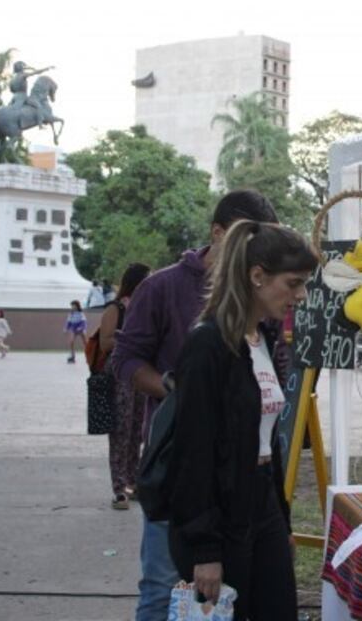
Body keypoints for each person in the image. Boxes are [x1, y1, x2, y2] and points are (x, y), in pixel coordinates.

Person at [110, 190, 280, 621]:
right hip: (176, 464)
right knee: (161, 588)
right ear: (217, 233)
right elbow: (125, 358)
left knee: (222, 598)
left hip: (235, 480)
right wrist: (180, 392)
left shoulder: (263, 301)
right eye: (244, 242)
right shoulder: (162, 287)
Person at [168, 221, 316, 620]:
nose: (300, 295)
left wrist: (281, 520)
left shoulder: (263, 340)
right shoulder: (207, 345)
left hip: (262, 500)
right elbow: (193, 454)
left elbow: (270, 440)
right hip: (220, 512)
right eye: (293, 283)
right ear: (256, 276)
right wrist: (205, 550)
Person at [98, 263, 151, 511]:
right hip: (119, 372)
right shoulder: (115, 308)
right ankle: (119, 489)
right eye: (146, 280)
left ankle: (133, 482)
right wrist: (128, 338)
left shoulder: (147, 307)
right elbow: (105, 342)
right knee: (120, 430)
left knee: (137, 429)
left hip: (141, 372)